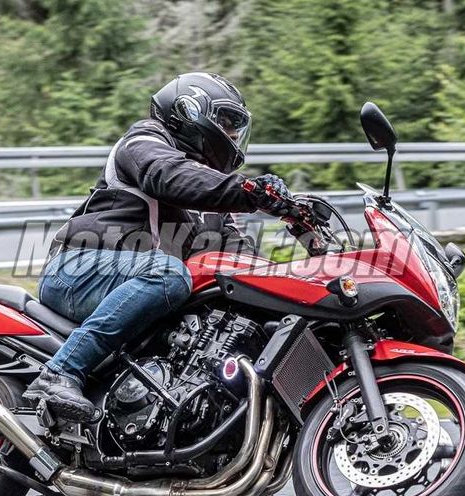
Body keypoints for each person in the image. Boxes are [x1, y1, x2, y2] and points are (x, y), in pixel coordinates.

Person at [23, 72, 291, 423]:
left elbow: (239, 260)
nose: (232, 135)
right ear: (191, 110)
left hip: (131, 282)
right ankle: (59, 373)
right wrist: (249, 192)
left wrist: (293, 285)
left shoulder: (210, 201)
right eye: (227, 123)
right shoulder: (144, 142)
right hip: (76, 269)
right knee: (169, 274)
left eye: (236, 127)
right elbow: (167, 175)